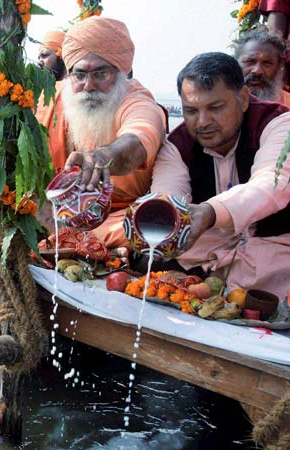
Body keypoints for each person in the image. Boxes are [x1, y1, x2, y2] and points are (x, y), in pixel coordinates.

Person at [151, 52, 290, 300]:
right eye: (191, 111)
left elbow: (272, 183)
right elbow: (167, 198)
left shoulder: (278, 123)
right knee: (172, 248)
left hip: (276, 245)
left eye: (215, 108)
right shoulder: (177, 145)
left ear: (244, 99)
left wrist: (210, 212)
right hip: (213, 247)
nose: (202, 122)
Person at [39, 16, 166, 250]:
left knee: (146, 228)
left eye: (100, 74)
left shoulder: (137, 101)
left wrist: (103, 157)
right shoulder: (52, 95)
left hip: (117, 222)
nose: (89, 85)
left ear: (120, 73)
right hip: (53, 216)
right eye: (80, 75)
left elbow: (137, 139)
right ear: (69, 75)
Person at [235, 29, 290, 105]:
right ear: (236, 63)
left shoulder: (288, 106)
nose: (257, 71)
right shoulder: (219, 99)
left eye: (267, 63)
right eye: (250, 61)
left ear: (278, 68)